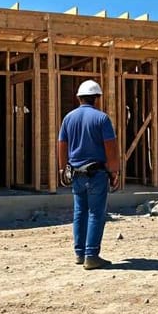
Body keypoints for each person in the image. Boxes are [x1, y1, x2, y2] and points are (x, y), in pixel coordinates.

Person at [58, 80, 120, 270]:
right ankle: (91, 255)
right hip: (97, 173)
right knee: (96, 213)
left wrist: (62, 170)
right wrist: (114, 171)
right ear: (97, 99)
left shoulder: (68, 118)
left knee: (80, 212)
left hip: (76, 173)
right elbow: (110, 147)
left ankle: (80, 253)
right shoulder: (102, 119)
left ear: (78, 98)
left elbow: (62, 145)